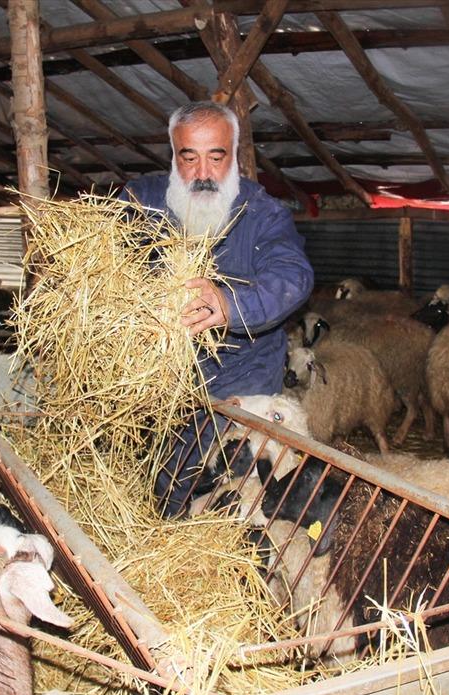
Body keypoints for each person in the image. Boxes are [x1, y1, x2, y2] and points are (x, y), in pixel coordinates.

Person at [125, 101, 314, 517]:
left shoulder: (262, 214)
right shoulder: (143, 201)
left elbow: (293, 275)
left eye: (217, 156)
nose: (203, 173)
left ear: (235, 153)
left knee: (214, 483)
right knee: (152, 471)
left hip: (239, 373)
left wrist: (232, 303)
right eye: (188, 157)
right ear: (173, 155)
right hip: (162, 375)